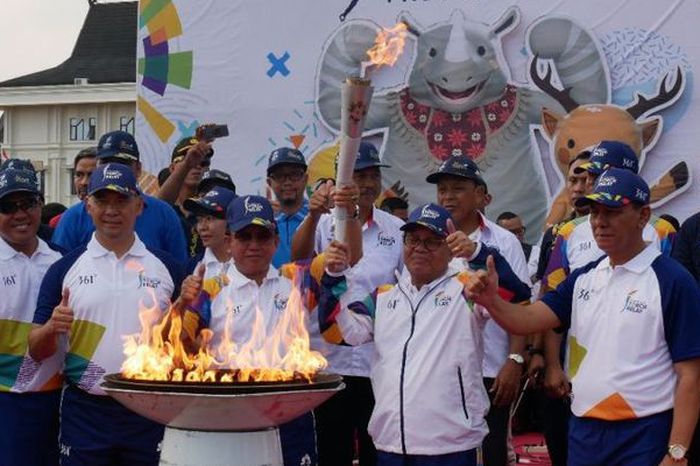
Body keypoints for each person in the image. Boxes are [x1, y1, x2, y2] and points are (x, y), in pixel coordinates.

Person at [467, 168, 700, 465]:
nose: (600, 222)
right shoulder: (584, 278)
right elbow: (527, 320)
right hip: (584, 430)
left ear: (643, 216)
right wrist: (492, 301)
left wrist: (677, 451)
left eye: (612, 211)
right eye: (594, 212)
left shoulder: (673, 281)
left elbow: (691, 374)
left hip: (644, 433)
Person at [318, 203, 529, 466]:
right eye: (413, 240)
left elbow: (519, 297)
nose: (419, 248)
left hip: (452, 446)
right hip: (391, 445)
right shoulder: (384, 297)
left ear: (449, 249)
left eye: (432, 242)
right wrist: (334, 276)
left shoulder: (467, 289)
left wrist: (476, 252)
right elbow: (336, 332)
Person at [29, 163, 184, 466]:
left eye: (121, 200)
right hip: (85, 411)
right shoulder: (64, 269)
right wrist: (50, 329)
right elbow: (35, 350)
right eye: (102, 200)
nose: (112, 210)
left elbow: (192, 345)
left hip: (148, 408)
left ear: (139, 205)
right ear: (88, 206)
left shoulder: (168, 268)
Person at [179, 194, 340, 466]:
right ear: (230, 242)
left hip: (289, 416)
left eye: (263, 237)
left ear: (276, 242)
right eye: (245, 236)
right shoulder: (209, 289)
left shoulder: (296, 280)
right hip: (230, 415)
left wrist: (344, 210)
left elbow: (344, 255)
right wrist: (181, 304)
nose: (254, 245)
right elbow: (180, 347)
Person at [292, 140, 405, 466]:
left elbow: (406, 287)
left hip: (376, 360)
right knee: (332, 449)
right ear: (343, 181)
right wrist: (313, 214)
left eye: (373, 176)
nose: (368, 184)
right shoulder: (324, 223)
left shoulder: (396, 229)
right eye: (359, 176)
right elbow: (299, 258)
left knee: (377, 448)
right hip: (330, 360)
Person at [426, 155, 531, 466]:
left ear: (481, 194)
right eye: (442, 189)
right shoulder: (429, 240)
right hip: (440, 371)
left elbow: (521, 303)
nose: (447, 196)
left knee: (492, 453)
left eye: (457, 188)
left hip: (491, 371)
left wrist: (514, 360)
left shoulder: (504, 241)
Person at [526, 150, 590, 466]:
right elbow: (546, 295)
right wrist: (540, 354)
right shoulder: (558, 234)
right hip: (560, 353)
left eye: (586, 179)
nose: (578, 187)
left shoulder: (653, 233)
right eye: (573, 179)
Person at [0, 168, 64, 466]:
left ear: (41, 204)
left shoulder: (63, 261)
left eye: (27, 203)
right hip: (7, 401)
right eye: (7, 207)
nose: (19, 214)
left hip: (58, 398)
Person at [52, 130, 188, 262]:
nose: (116, 169)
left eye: (123, 163)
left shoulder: (164, 214)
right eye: (107, 163)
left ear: (139, 169)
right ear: (98, 167)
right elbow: (59, 274)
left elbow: (178, 273)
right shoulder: (73, 218)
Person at [158, 136, 215, 258]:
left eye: (203, 162)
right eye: (189, 160)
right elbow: (158, 208)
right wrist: (186, 166)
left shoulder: (213, 209)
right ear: (172, 168)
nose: (197, 165)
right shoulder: (166, 210)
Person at [266, 147, 310, 268]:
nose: (287, 182)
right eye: (279, 176)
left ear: (305, 179)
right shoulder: (264, 223)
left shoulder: (321, 218)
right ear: (270, 183)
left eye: (295, 174)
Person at [182, 186, 237, 277]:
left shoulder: (252, 262)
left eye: (209, 219)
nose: (202, 227)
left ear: (231, 222)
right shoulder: (191, 267)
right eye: (199, 220)